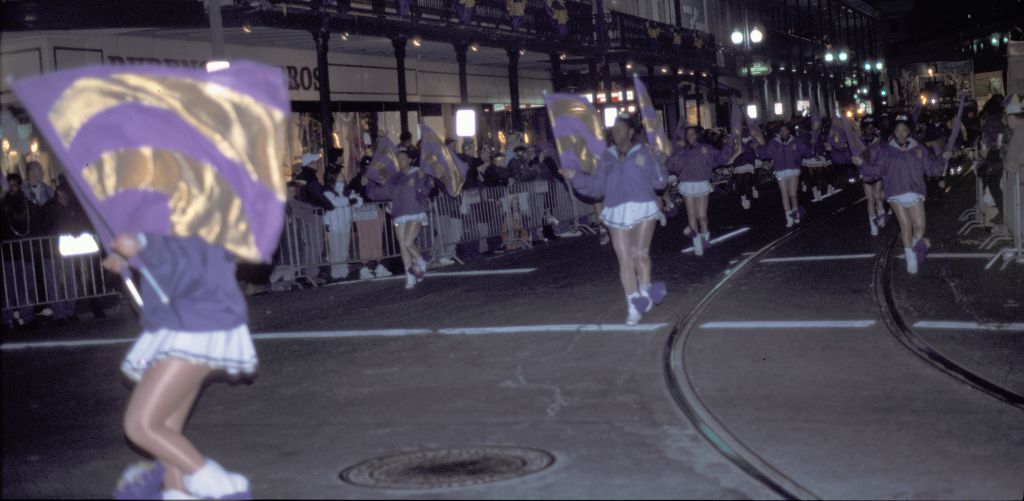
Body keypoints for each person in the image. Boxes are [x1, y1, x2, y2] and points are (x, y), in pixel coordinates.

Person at [105, 233, 254, 500]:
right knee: (165, 427)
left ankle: (226, 488)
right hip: (182, 319)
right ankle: (178, 492)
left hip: (198, 322)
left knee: (141, 426)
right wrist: (129, 252)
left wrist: (143, 245)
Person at [559, 114, 668, 325]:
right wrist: (575, 176)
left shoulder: (645, 152)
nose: (615, 133)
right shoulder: (606, 158)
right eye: (613, 131)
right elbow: (597, 187)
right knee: (624, 259)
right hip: (615, 209)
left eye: (620, 130)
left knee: (639, 254)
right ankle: (633, 305)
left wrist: (658, 160)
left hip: (642, 206)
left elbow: (660, 182)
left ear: (630, 132)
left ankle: (645, 291)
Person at [853, 116, 952, 274]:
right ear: (893, 131)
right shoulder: (886, 151)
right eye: (897, 130)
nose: (901, 133)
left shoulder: (918, 148)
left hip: (915, 191)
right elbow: (875, 171)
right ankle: (910, 259)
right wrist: (861, 164)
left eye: (904, 130)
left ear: (908, 131)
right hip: (896, 193)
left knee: (920, 226)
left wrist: (942, 159)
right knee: (906, 226)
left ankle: (911, 248)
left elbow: (931, 168)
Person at [666, 125, 739, 255]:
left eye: (692, 134)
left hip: (701, 183)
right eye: (687, 134)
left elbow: (721, 158)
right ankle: (697, 243)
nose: (690, 136)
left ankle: (705, 235)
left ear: (697, 135)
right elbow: (671, 165)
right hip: (687, 184)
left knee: (702, 216)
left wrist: (729, 143)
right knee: (691, 215)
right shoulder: (682, 151)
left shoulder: (706, 148)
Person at [365, 148, 432, 289]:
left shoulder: (417, 173)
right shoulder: (394, 177)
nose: (400, 161)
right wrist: (370, 181)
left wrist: (422, 180)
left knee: (408, 242)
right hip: (399, 213)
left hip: (415, 211)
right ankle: (410, 276)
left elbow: (426, 191)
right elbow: (382, 192)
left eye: (403, 158)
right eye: (398, 159)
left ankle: (420, 261)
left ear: (409, 160)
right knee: (402, 245)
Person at [753, 121, 818, 228]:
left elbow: (807, 151)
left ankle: (795, 213)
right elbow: (765, 153)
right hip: (780, 170)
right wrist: (757, 148)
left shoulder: (796, 141)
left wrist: (807, 146)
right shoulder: (774, 142)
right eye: (781, 130)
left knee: (793, 194)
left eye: (785, 130)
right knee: (784, 194)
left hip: (793, 169)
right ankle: (788, 218)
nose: (783, 132)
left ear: (789, 131)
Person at [323, 172, 364, 280]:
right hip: (333, 225)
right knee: (335, 249)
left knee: (344, 250)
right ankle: (336, 272)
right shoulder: (328, 191)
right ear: (333, 177)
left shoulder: (347, 190)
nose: (343, 176)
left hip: (345, 224)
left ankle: (343, 272)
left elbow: (358, 201)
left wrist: (354, 200)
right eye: (340, 174)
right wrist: (349, 201)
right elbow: (334, 202)